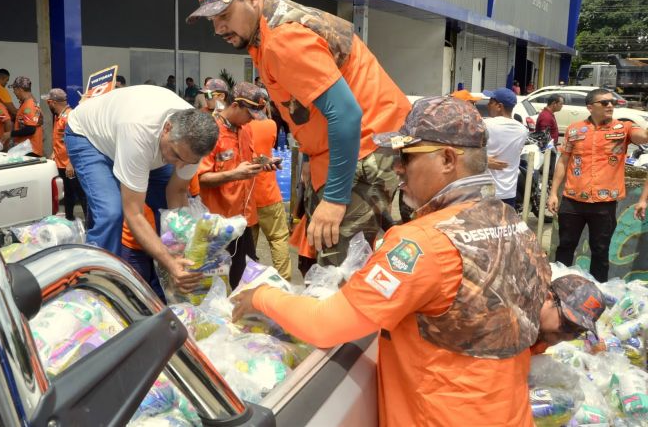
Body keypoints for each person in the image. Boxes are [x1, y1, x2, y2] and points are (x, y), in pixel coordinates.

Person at [231, 96, 550, 426]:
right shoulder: (512, 224)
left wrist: (261, 296)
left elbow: (324, 325)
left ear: (447, 159)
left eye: (406, 156)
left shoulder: (422, 242)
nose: (397, 167)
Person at [188, 0, 410, 266]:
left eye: (224, 16)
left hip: (365, 144)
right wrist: (310, 158)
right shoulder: (268, 33)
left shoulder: (282, 40)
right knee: (321, 254)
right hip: (348, 146)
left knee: (338, 265)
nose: (218, 29)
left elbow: (346, 114)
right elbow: (310, 107)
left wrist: (335, 199)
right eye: (213, 20)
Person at [64, 85, 219, 296]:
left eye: (188, 162)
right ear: (167, 128)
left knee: (168, 213)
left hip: (134, 137)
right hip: (89, 137)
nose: (179, 165)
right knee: (111, 213)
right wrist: (169, 261)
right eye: (176, 155)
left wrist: (184, 250)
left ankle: (162, 288)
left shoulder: (192, 144)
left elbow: (176, 193)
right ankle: (97, 288)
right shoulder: (139, 132)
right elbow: (134, 213)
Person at [548, 88, 648, 283]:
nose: (610, 105)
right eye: (604, 102)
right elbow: (563, 161)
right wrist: (553, 193)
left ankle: (598, 292)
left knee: (600, 251)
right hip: (572, 200)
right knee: (565, 246)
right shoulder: (574, 130)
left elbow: (643, 136)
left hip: (604, 203)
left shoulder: (623, 128)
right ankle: (558, 288)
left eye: (612, 102)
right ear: (590, 107)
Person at [197, 82, 274, 287]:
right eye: (249, 114)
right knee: (215, 283)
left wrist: (262, 163)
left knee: (245, 279)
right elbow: (200, 179)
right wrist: (234, 174)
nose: (252, 119)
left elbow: (247, 160)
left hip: (243, 221)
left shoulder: (245, 129)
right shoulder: (210, 132)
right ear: (235, 105)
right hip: (218, 224)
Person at [249, 112, 292, 280]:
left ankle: (247, 282)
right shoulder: (271, 124)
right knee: (278, 239)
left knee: (248, 245)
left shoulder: (240, 127)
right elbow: (267, 151)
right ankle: (284, 281)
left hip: (247, 197)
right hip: (269, 194)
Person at [532, 274, 604, 354]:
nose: (568, 336)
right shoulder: (521, 334)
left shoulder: (542, 338)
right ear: (546, 297)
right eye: (568, 325)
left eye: (579, 332)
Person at [44, 88, 87, 221]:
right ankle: (69, 220)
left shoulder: (69, 117)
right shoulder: (59, 117)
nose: (48, 106)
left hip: (70, 165)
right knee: (68, 194)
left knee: (81, 194)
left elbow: (78, 142)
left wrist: (71, 163)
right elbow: (61, 140)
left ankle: (90, 224)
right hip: (61, 163)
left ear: (52, 102)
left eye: (48, 103)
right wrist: (54, 153)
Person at [483, 87, 529, 208]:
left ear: (499, 106)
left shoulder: (485, 125)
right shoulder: (523, 130)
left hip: (485, 191)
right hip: (508, 192)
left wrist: (483, 160)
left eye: (491, 102)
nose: (487, 105)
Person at [10, 76, 44, 156]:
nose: (14, 92)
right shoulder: (30, 103)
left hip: (30, 151)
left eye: (14, 89)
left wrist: (10, 134)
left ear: (20, 89)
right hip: (28, 148)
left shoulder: (29, 105)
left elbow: (30, 129)